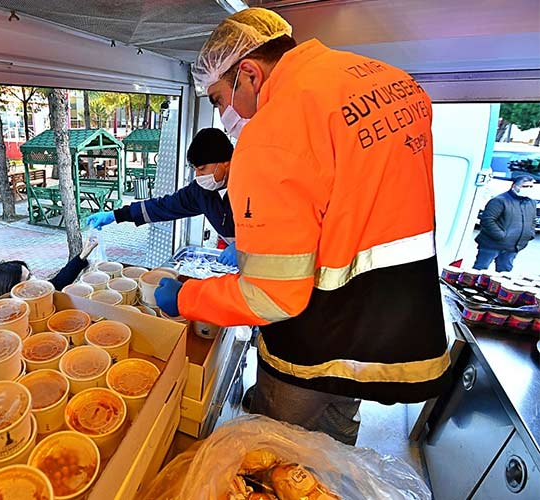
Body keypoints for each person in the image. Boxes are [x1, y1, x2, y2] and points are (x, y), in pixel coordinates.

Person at [154, 7, 449, 445]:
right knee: (334, 444)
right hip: (382, 332)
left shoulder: (273, 131)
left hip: (314, 341)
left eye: (218, 99)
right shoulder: (390, 81)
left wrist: (187, 297)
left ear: (249, 74)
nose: (224, 115)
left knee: (278, 456)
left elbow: (271, 295)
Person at [86, 128, 238, 265]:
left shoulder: (251, 187)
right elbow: (163, 206)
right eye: (195, 170)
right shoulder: (201, 192)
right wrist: (116, 215)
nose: (198, 176)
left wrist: (243, 247)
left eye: (202, 169)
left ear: (226, 162)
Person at [0, 237, 99, 306]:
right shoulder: (2, 315)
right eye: (27, 278)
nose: (34, 279)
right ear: (13, 289)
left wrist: (83, 255)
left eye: (30, 274)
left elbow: (58, 282)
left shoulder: (36, 293)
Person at [473, 175, 537, 272]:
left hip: (513, 247)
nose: (528, 189)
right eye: (525, 186)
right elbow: (487, 220)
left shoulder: (531, 202)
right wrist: (501, 236)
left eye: (530, 186)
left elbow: (533, 220)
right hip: (492, 245)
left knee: (504, 275)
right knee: (480, 271)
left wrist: (529, 234)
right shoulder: (500, 200)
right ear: (514, 186)